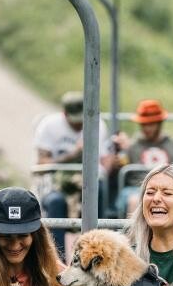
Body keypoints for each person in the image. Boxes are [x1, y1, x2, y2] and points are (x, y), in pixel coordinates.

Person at [34, 91, 115, 257]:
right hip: (57, 183)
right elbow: (42, 162)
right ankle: (59, 260)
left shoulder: (98, 124)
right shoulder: (49, 125)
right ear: (65, 114)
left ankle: (93, 254)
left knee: (97, 192)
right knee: (56, 202)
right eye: (76, 122)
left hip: (88, 183)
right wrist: (74, 154)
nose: (80, 126)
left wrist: (115, 156)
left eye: (82, 121)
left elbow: (106, 161)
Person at [110, 98, 173, 215]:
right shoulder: (132, 147)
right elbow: (117, 175)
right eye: (144, 124)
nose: (147, 128)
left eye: (151, 124)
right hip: (137, 188)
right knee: (135, 201)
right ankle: (135, 233)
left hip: (169, 188)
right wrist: (115, 163)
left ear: (159, 123)